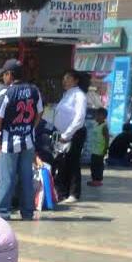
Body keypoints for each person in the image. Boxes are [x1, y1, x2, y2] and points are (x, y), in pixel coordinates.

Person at [0, 59, 43, 221]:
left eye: (5, 74)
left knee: (7, 178)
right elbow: (39, 114)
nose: (4, 77)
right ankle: (27, 212)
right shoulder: (34, 91)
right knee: (27, 177)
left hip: (9, 143)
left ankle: (3, 212)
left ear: (10, 75)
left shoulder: (6, 93)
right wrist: (30, 128)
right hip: (28, 142)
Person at [53, 69, 89, 204]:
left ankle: (74, 193)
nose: (65, 81)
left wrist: (68, 134)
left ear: (76, 80)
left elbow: (79, 117)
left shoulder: (79, 95)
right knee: (63, 163)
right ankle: (64, 192)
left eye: (68, 78)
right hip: (63, 134)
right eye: (64, 78)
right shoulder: (66, 95)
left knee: (73, 162)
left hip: (75, 133)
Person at [87, 108, 109, 187]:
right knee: (93, 165)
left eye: (97, 115)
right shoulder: (96, 125)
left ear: (103, 117)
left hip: (100, 150)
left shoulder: (104, 127)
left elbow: (107, 139)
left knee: (98, 166)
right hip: (94, 150)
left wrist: (105, 149)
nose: (95, 117)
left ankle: (98, 180)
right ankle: (94, 179)